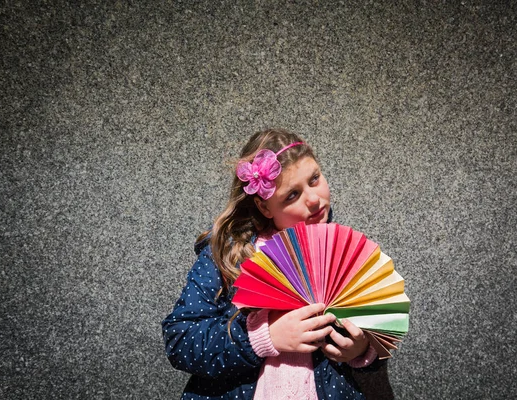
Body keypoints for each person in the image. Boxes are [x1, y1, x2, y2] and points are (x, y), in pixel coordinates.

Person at [162, 128, 382, 400]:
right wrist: (262, 337)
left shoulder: (346, 251)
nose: (313, 199)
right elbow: (180, 340)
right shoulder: (229, 252)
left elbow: (380, 332)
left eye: (314, 179)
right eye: (292, 195)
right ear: (265, 207)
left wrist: (360, 349)